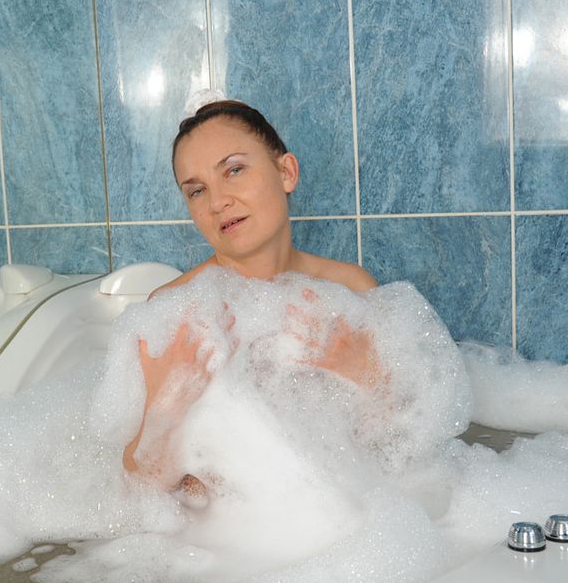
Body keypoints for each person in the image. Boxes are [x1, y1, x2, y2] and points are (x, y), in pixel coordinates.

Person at [122, 95, 382, 494]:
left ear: (286, 172)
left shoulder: (351, 290)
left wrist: (364, 371)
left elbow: (403, 442)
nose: (217, 202)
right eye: (197, 191)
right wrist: (166, 407)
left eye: (234, 170)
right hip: (217, 527)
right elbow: (136, 492)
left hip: (335, 513)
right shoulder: (173, 316)